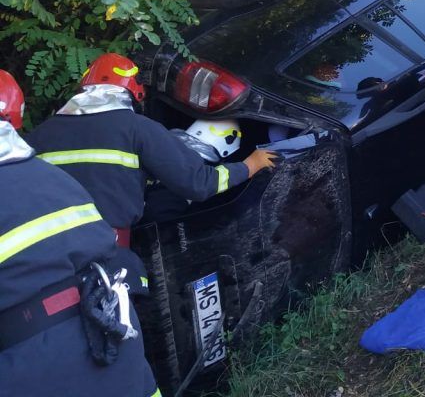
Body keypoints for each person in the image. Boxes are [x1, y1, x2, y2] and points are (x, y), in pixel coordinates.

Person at [28, 53, 278, 294]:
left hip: (43, 251)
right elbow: (199, 184)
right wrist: (250, 165)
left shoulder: (40, 135)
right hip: (101, 250)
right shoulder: (138, 129)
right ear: (133, 93)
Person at [0, 70, 160, 397]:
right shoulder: (54, 178)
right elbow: (196, 182)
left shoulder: (46, 142)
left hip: (30, 365)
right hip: (113, 334)